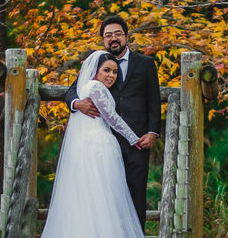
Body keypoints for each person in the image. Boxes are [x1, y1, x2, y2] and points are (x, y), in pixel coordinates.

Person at [22, 51, 154, 238]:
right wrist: (135, 140)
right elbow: (114, 118)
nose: (111, 76)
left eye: (114, 72)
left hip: (86, 150)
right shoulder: (95, 89)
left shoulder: (87, 88)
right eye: (107, 70)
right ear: (95, 69)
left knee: (91, 205)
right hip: (98, 150)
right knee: (104, 202)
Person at [64, 15, 162, 226]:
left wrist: (153, 132)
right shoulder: (97, 64)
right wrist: (77, 104)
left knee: (136, 194)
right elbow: (72, 90)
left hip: (137, 141)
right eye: (108, 36)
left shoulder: (145, 64)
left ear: (127, 37)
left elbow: (154, 100)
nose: (113, 39)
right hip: (105, 141)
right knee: (107, 195)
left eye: (118, 34)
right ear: (103, 40)